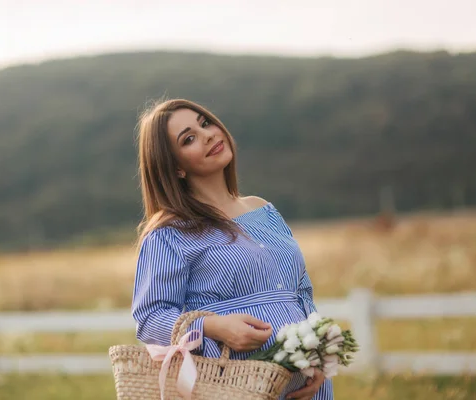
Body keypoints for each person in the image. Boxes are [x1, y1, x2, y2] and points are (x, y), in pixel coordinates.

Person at [131, 98, 334, 400]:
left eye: (205, 123)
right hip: (235, 385)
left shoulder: (264, 209)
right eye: (189, 139)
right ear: (175, 168)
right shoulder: (170, 233)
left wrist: (319, 358)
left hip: (305, 387)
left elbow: (302, 291)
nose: (208, 135)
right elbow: (149, 318)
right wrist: (213, 326)